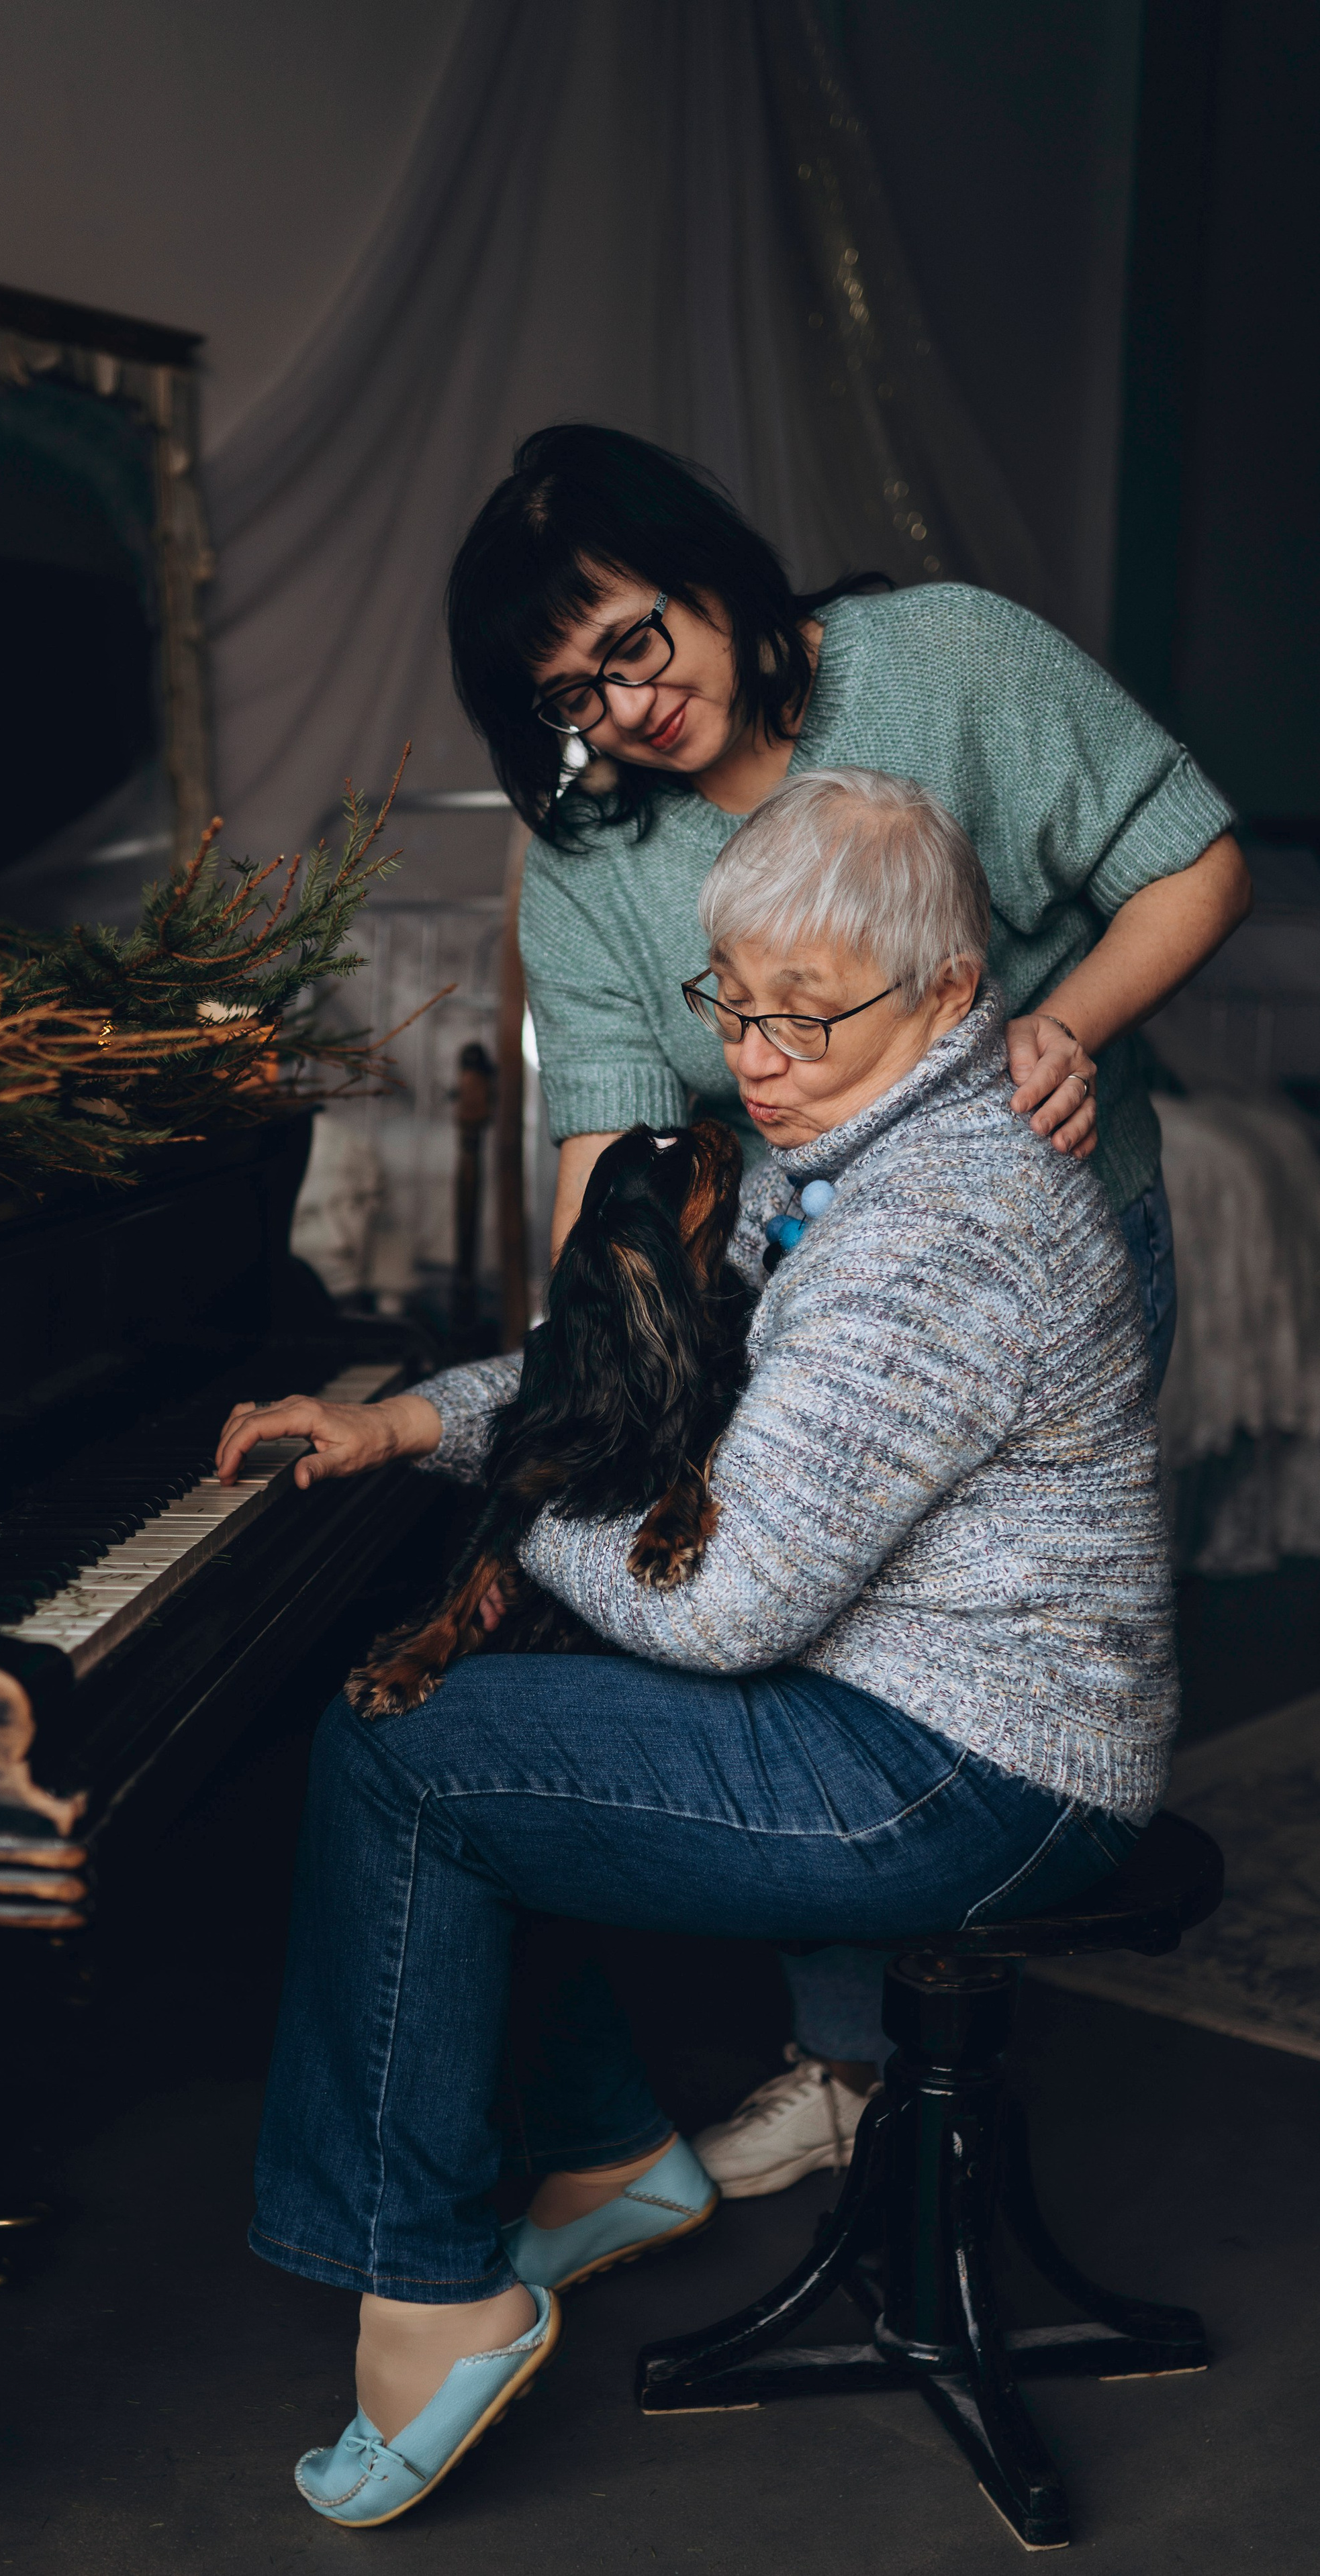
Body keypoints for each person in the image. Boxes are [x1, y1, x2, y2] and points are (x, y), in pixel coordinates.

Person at [216, 769, 1176, 2527]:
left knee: (408, 1756)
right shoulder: (834, 1154)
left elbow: (725, 1609)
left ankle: (433, 2294)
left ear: (951, 994)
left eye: (806, 1015)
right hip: (901, 1714)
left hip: (968, 1772)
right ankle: (608, 2154)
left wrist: (516, 1497)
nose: (755, 1056)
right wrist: (413, 1423)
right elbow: (617, 1374)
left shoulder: (944, 1224)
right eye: (731, 1005)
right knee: (491, 1704)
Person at [441, 421, 1246, 2187]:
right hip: (788, 1287)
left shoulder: (949, 658)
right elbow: (608, 1153)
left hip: (1034, 1242)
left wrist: (1065, 1024)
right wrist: (575, 1378)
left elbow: (1193, 861)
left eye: (637, 643)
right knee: (795, 1631)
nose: (626, 709)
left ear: (708, 569)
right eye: (574, 695)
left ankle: (928, 2039)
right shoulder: (590, 858)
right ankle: (847, 2066)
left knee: (956, 1637)